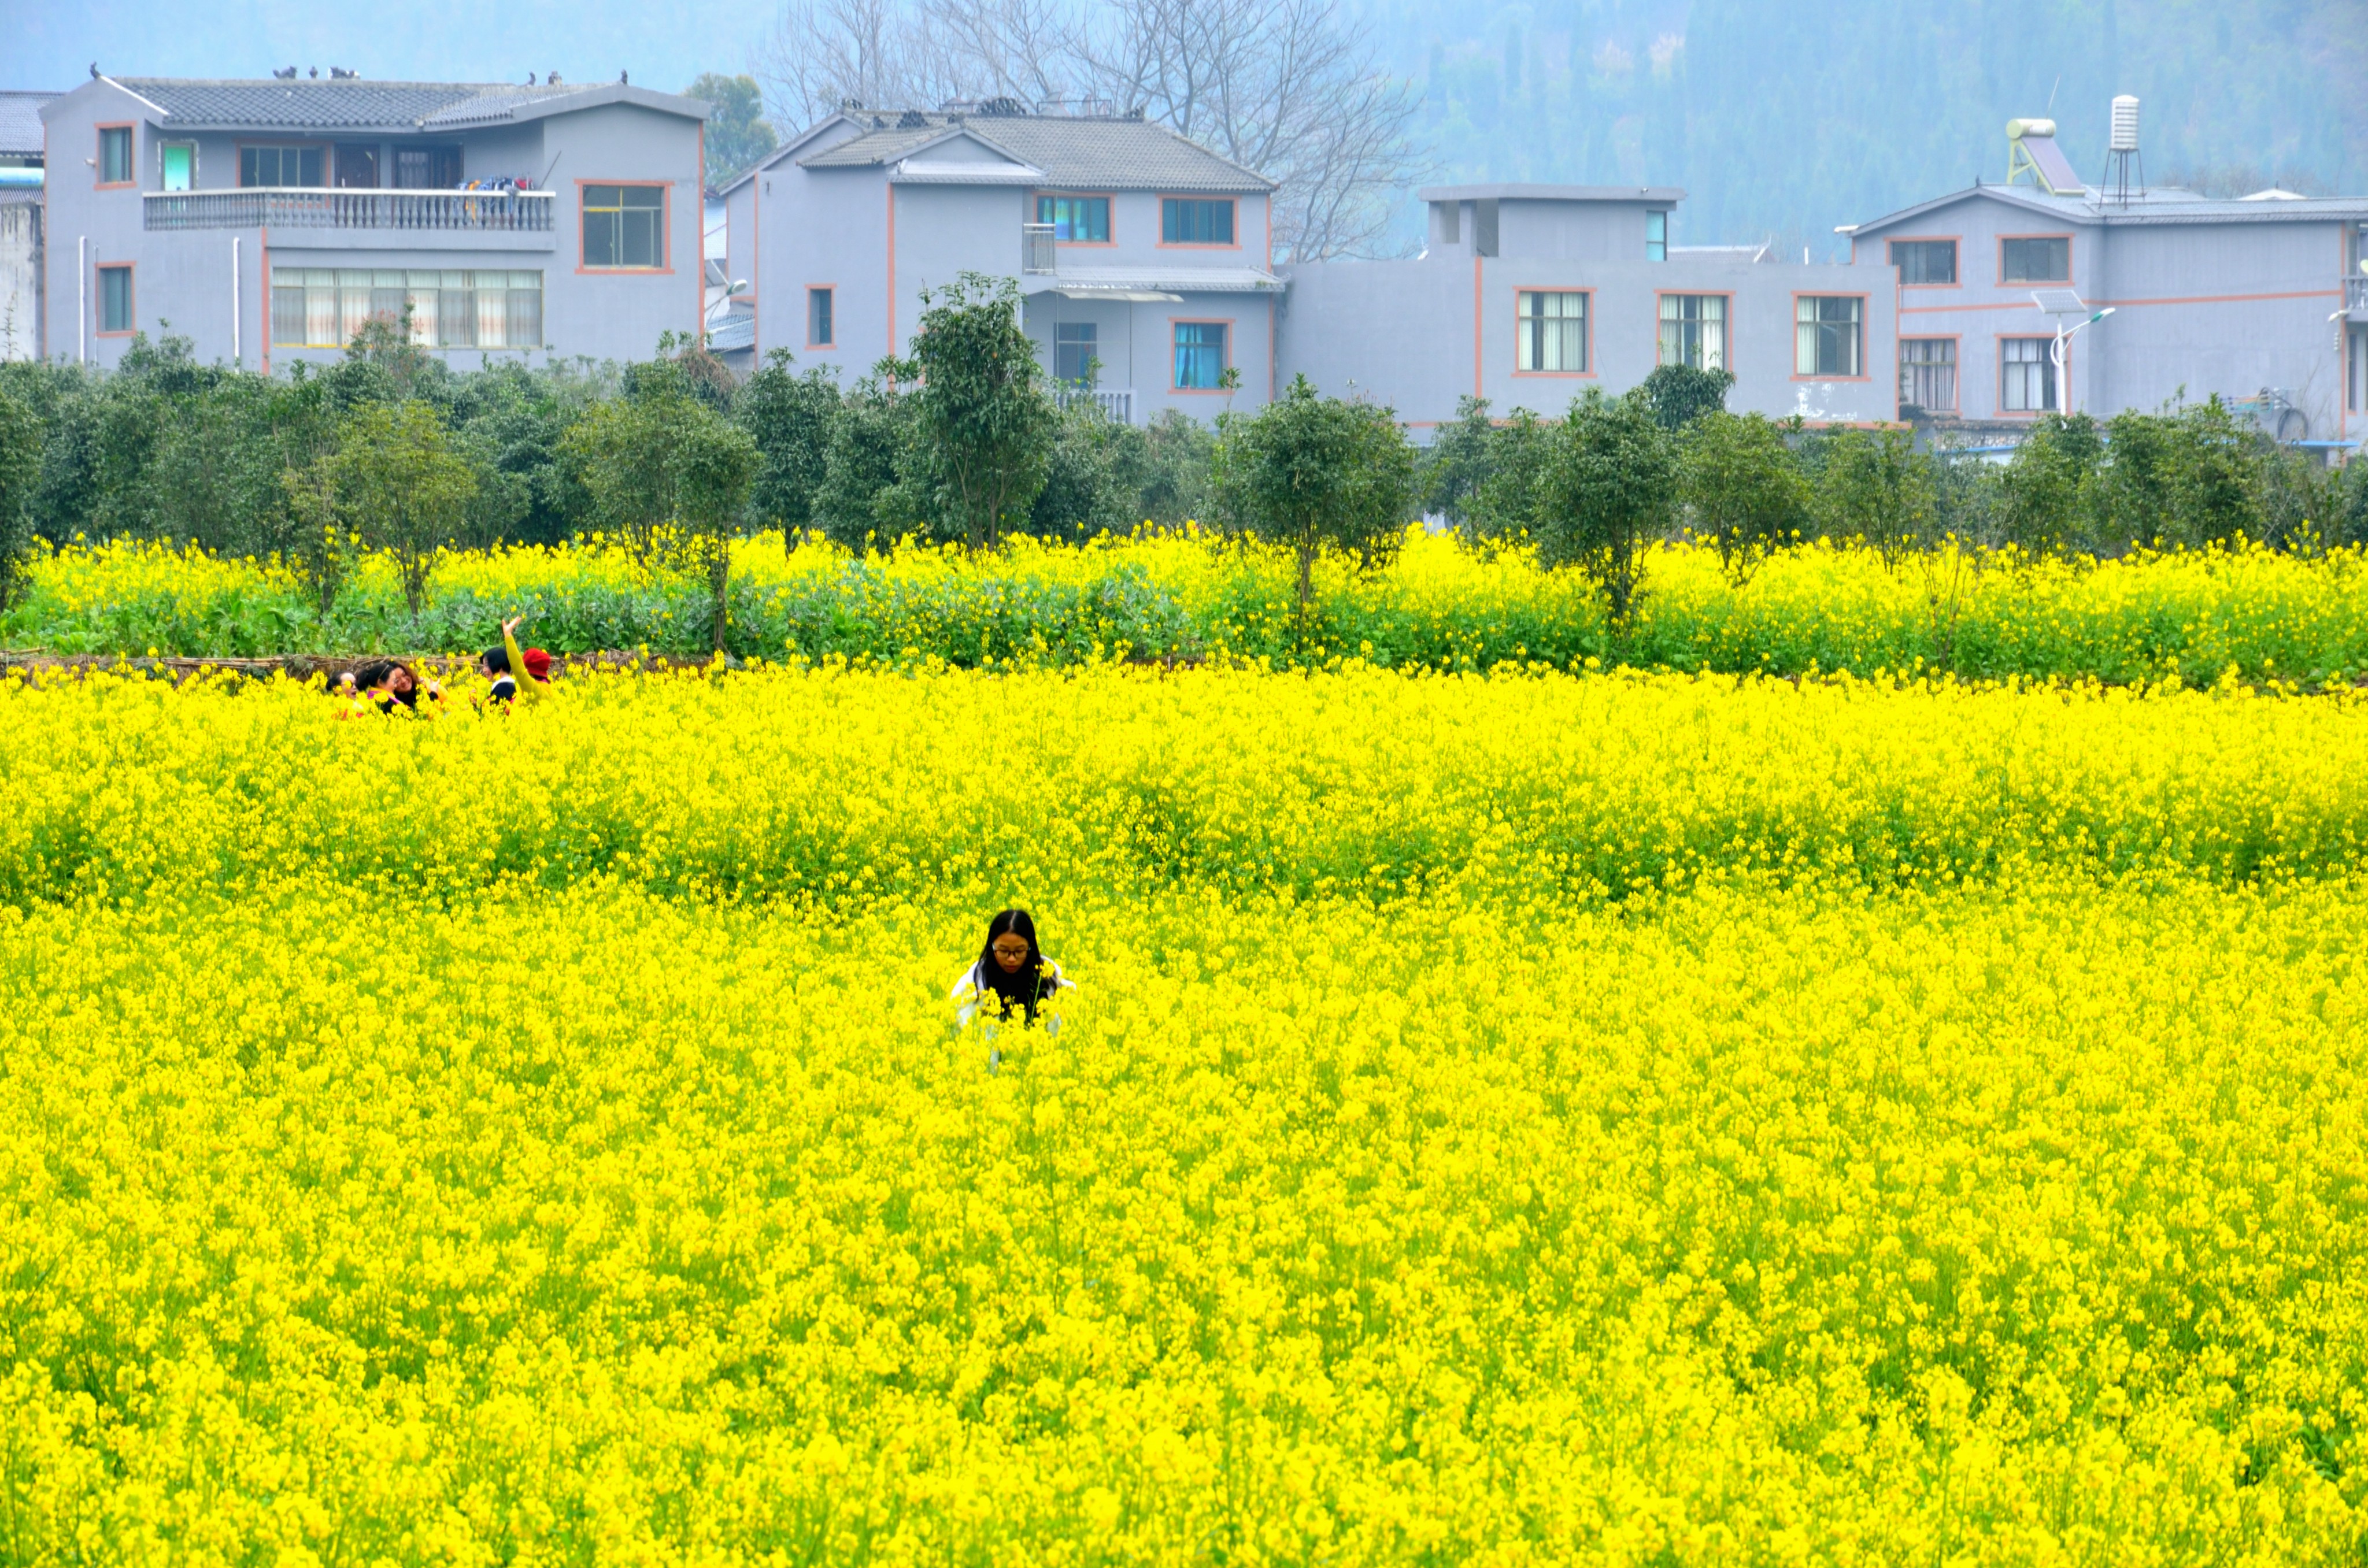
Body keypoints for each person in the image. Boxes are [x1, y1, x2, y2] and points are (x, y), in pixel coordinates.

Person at [951, 909, 1074, 1067]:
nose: (1011, 959)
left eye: (1019, 951)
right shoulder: (974, 984)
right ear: (992, 947)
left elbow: (1065, 1029)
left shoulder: (1048, 977)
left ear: (1031, 948)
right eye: (1003, 951)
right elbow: (960, 1031)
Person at [344, 658, 446, 717]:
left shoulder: (374, 698)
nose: (396, 685)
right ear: (380, 682)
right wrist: (433, 694)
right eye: (394, 681)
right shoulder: (384, 702)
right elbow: (417, 720)